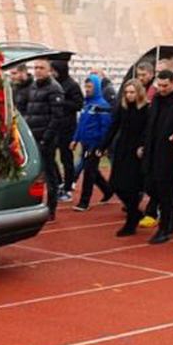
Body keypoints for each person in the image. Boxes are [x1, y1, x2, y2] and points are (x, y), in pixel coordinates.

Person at [141, 70, 173, 244]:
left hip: (169, 154)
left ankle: (165, 227)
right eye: (159, 85)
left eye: (165, 86)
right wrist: (143, 145)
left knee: (164, 191)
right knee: (148, 185)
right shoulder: (155, 101)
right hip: (152, 151)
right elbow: (149, 125)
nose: (161, 89)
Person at [106, 80, 151, 236]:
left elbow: (148, 130)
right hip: (122, 149)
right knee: (115, 185)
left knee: (131, 187)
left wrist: (143, 146)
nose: (129, 95)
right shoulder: (123, 107)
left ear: (139, 92)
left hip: (136, 152)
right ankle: (135, 213)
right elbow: (114, 126)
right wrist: (102, 145)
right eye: (127, 92)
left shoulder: (146, 109)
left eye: (132, 92)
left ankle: (131, 221)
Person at [26, 59, 66, 221]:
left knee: (49, 175)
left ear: (50, 70)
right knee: (33, 174)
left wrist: (46, 139)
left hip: (46, 139)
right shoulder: (34, 87)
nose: (38, 70)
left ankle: (51, 208)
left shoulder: (55, 89)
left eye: (41, 68)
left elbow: (56, 118)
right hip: (33, 137)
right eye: (35, 67)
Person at [70, 74, 113, 211]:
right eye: (86, 86)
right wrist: (75, 139)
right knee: (93, 171)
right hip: (85, 143)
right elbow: (81, 124)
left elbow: (106, 128)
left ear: (97, 88)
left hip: (95, 144)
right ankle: (107, 190)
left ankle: (84, 202)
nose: (87, 89)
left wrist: (101, 145)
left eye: (90, 87)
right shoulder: (86, 104)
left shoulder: (102, 106)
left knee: (88, 172)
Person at [51, 60, 84, 203]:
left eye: (54, 70)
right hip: (54, 126)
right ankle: (59, 182)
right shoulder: (52, 84)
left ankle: (68, 187)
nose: (52, 73)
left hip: (67, 127)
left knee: (66, 158)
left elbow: (78, 104)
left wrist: (61, 101)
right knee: (50, 156)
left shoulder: (72, 85)